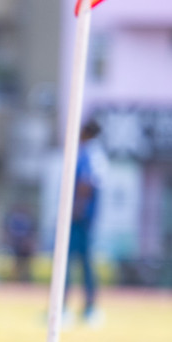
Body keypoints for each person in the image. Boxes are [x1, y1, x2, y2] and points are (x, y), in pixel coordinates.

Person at [66, 120, 106, 323]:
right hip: (88, 219)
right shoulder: (98, 154)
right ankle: (89, 308)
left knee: (68, 262)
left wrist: (75, 209)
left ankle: (64, 307)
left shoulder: (88, 153)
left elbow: (85, 183)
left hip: (79, 218)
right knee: (86, 264)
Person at [3, 203, 36, 283]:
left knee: (26, 264)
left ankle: (25, 280)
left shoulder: (28, 219)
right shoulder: (13, 219)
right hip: (15, 245)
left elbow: (31, 233)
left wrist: (28, 243)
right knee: (15, 264)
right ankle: (13, 281)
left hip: (25, 246)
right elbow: (8, 232)